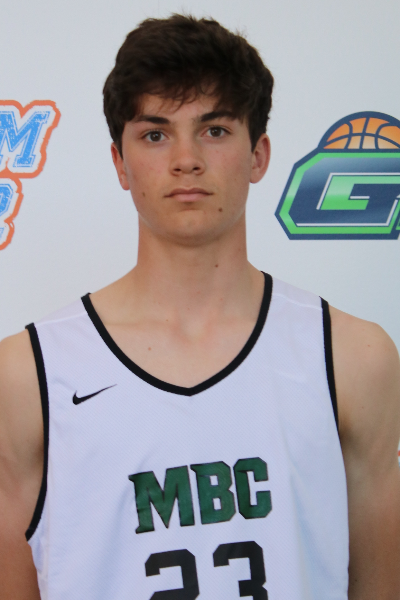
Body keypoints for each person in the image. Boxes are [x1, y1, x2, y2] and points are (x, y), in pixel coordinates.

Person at [0, 14, 399, 600]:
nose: (186, 159)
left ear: (258, 154)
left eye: (214, 130)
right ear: (119, 163)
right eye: (155, 134)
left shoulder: (353, 357)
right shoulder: (27, 374)